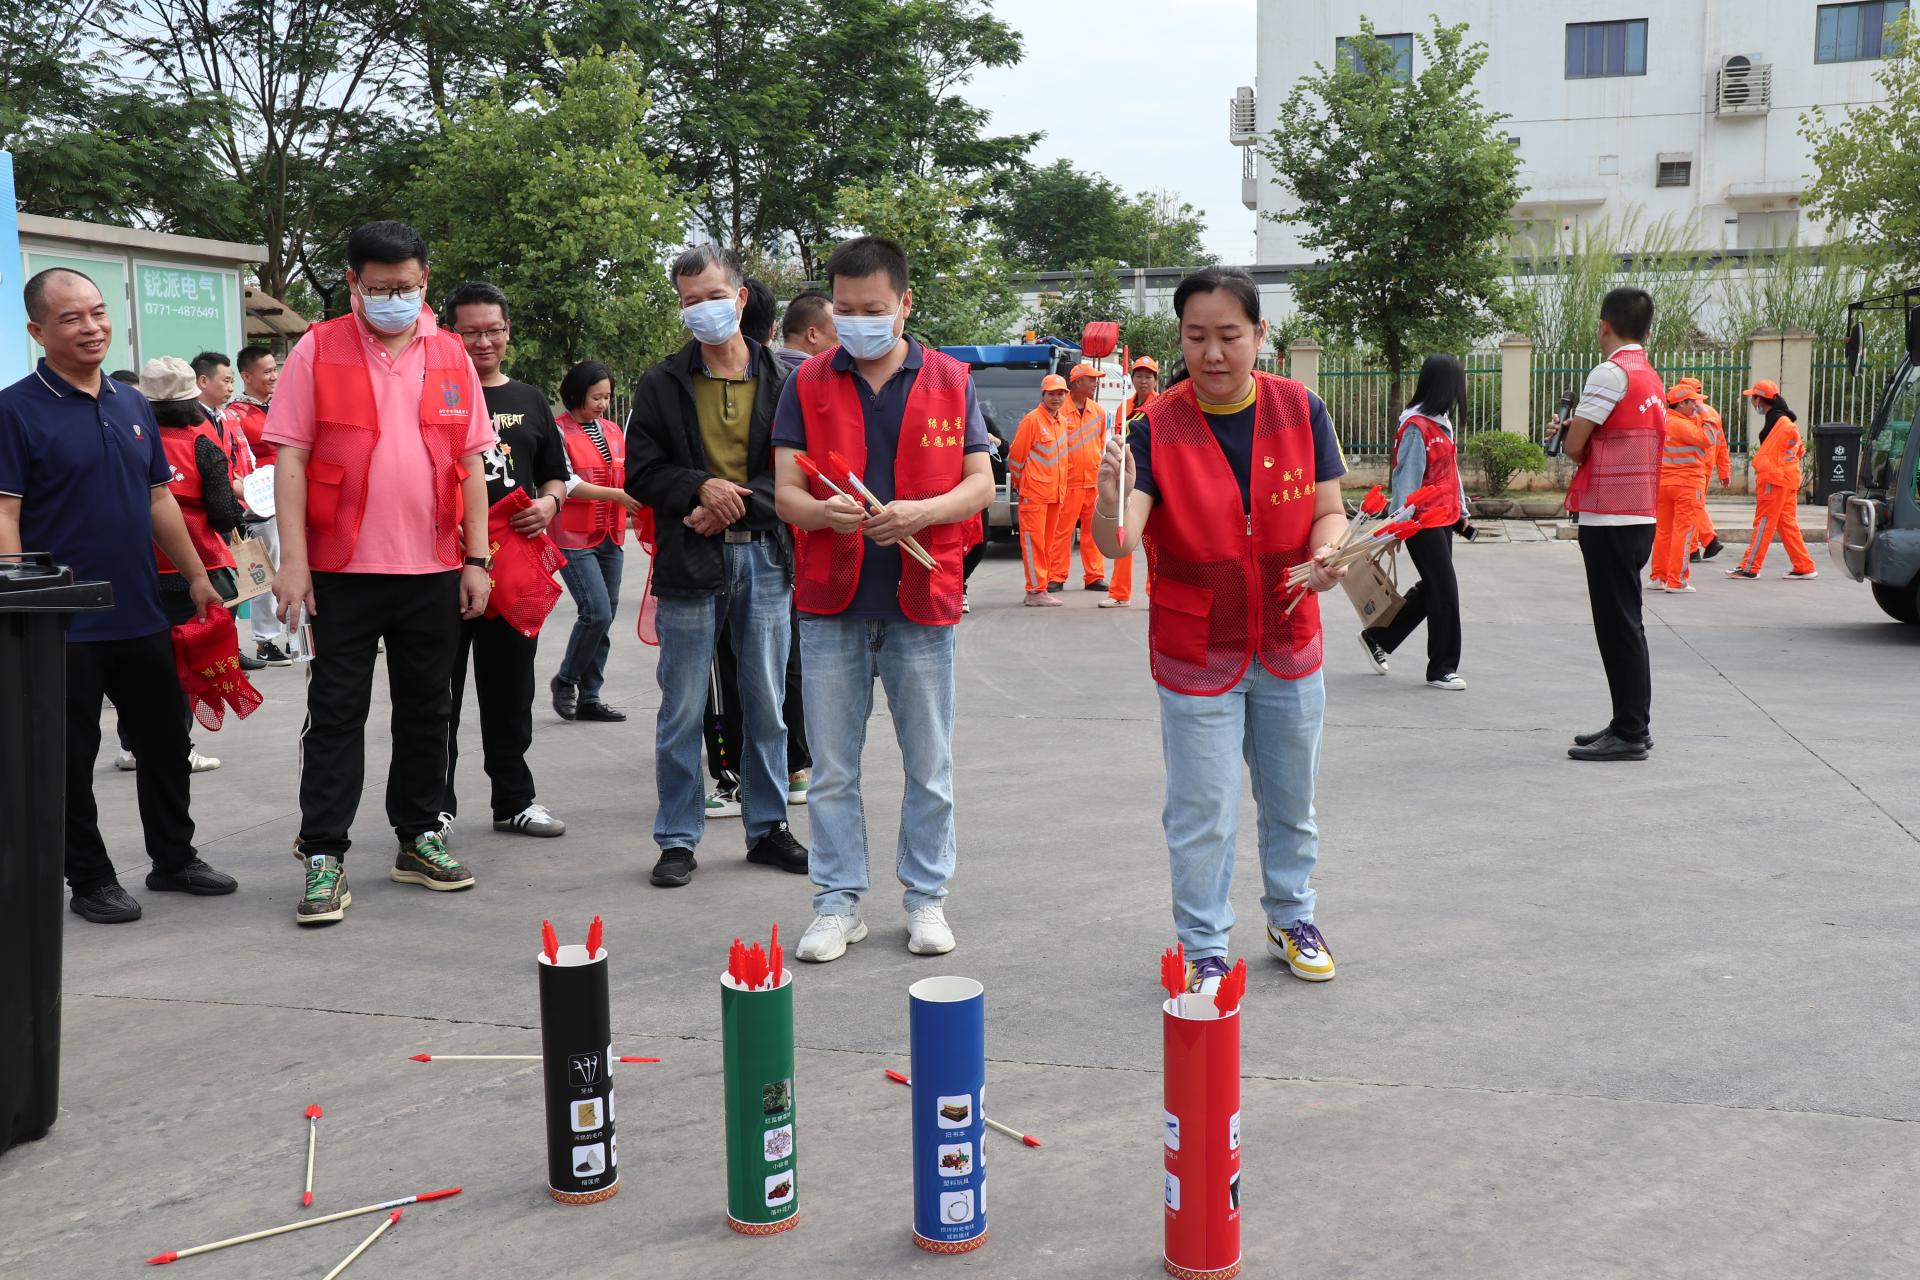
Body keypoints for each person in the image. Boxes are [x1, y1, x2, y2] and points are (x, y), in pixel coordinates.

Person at [1091, 267, 1349, 992]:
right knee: (1203, 811)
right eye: (1196, 337)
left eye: (1229, 336)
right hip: (1197, 650)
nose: (1212, 353)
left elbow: (1329, 509)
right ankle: (1203, 945)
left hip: (1288, 638)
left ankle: (1291, 915)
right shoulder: (1151, 427)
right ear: (1179, 338)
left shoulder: (1301, 409)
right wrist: (1111, 488)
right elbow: (1117, 543)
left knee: (1291, 801)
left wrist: (1328, 549)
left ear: (1260, 336)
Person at [265, 220, 496, 926]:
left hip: (431, 564)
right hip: (343, 568)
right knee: (336, 714)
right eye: (378, 288)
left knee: (430, 710)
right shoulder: (317, 349)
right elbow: (292, 460)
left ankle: (419, 837)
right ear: (351, 284)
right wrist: (293, 565)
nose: (394, 299)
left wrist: (476, 558)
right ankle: (324, 855)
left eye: (407, 287)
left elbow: (470, 465)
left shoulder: (451, 353)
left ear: (425, 280)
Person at [773, 234, 994, 962]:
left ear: (904, 303)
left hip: (921, 598)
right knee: (833, 767)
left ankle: (926, 898)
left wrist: (922, 512)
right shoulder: (806, 383)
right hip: (831, 600)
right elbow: (786, 493)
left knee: (928, 763)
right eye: (843, 309)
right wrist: (821, 513)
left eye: (872, 308)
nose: (856, 321)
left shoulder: (951, 381)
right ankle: (837, 902)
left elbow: (981, 485)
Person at [0, 268, 239, 924]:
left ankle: (174, 858)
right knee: (71, 758)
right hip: (61, 622)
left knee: (165, 740)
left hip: (138, 608)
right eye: (71, 317)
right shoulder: (15, 409)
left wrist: (194, 575)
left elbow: (159, 498)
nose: (91, 326)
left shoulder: (130, 403)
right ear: (37, 331)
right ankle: (91, 878)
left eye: (97, 313)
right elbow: (5, 513)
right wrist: (20, 600)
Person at [626, 244, 808, 888]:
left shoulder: (789, 378)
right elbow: (641, 471)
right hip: (689, 559)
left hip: (764, 557)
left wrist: (733, 504)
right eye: (688, 301)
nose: (701, 310)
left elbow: (800, 468)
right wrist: (700, 489)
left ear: (740, 297)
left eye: (711, 296)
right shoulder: (662, 382)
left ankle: (768, 828)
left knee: (766, 700)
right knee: (682, 705)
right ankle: (678, 837)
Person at [439, 281, 571, 839]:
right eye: (470, 331)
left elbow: (555, 472)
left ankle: (513, 799)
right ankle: (432, 807)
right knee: (436, 693)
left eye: (493, 329)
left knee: (511, 688)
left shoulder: (529, 399)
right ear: (450, 334)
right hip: (445, 565)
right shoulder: (434, 392)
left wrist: (549, 502)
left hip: (513, 568)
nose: (483, 341)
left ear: (507, 331)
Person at [113, 358, 248, 773]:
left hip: (138, 564)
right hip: (194, 569)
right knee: (181, 665)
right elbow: (223, 511)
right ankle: (179, 745)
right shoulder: (202, 439)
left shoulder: (128, 436)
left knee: (137, 662)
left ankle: (132, 744)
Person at [1549, 286, 1664, 763]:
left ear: (1604, 326)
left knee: (1617, 625)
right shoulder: (1652, 378)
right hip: (1640, 513)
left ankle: (1630, 732)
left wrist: (1570, 431)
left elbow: (1576, 446)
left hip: (1610, 516)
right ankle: (1629, 721)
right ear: (1648, 330)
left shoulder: (1609, 372)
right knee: (1627, 621)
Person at [1359, 353, 1472, 687]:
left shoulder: (1441, 423)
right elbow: (1406, 482)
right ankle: (1442, 668)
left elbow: (1450, 472)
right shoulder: (1415, 428)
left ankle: (1378, 637)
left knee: (1432, 589)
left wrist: (1462, 512)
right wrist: (1396, 525)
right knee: (1445, 590)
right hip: (1421, 522)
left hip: (1444, 518)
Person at [552, 359, 641, 723]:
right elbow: (566, 483)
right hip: (574, 537)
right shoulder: (557, 430)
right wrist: (618, 495)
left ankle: (591, 696)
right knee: (597, 612)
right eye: (596, 396)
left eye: (607, 396)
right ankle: (567, 679)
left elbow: (625, 473)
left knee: (605, 616)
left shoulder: (612, 430)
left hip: (610, 534)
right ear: (576, 393)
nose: (603, 403)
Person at [227, 344, 293, 664]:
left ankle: (297, 636)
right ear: (246, 376)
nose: (273, 376)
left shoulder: (280, 405)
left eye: (274, 370)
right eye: (266, 371)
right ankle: (266, 640)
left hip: (292, 498)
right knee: (267, 572)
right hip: (261, 505)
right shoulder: (234, 414)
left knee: (295, 567)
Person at [1728, 379, 1818, 581]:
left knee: (1764, 524)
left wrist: (1760, 466)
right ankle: (1804, 566)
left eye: (1753, 398)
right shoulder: (1785, 420)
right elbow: (1800, 450)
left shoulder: (1778, 422)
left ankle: (1750, 568)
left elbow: (1767, 455)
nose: (1752, 402)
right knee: (1787, 525)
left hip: (1775, 481)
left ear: (1760, 400)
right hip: (1787, 479)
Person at [1100, 355, 1161, 609]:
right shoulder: (1124, 407)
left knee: (1156, 542)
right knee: (1121, 531)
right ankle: (1119, 592)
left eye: (1148, 376)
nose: (1143, 380)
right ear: (1132, 378)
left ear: (1156, 380)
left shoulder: (1161, 406)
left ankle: (1154, 592)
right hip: (1127, 477)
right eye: (1139, 375)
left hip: (1153, 479)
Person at [1007, 374, 1069, 606]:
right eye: (1052, 393)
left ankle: (1040, 587)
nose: (1057, 397)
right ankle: (1034, 591)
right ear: (1042, 395)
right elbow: (1016, 457)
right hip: (1034, 494)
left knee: (1047, 544)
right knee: (1034, 544)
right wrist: (1021, 484)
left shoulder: (1061, 421)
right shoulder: (1032, 420)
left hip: (1055, 493)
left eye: (1061, 393)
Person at [1648, 384, 1712, 593]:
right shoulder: (1681, 425)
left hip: (1665, 484)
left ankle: (1659, 576)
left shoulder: (1663, 420)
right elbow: (1709, 439)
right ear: (1682, 403)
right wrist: (1707, 416)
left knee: (1663, 532)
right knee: (1683, 532)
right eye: (1693, 402)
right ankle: (1677, 581)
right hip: (1687, 484)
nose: (1697, 406)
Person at [1050, 362, 1108, 592]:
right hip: (1069, 482)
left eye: (1095, 379)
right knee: (1062, 533)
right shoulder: (1059, 411)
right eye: (1091, 379)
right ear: (1077, 382)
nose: (1095, 383)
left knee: (1093, 532)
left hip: (1092, 481)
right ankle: (1056, 576)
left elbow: (1100, 444)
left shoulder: (1099, 411)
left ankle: (1094, 576)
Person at [1674, 377, 1729, 562]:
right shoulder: (1711, 412)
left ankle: (1700, 544)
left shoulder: (1687, 414)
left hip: (1689, 469)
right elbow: (1721, 444)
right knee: (1695, 507)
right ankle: (1700, 544)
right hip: (1701, 468)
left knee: (1690, 509)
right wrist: (1724, 471)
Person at [776, 291, 835, 374]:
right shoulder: (814, 379)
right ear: (812, 335)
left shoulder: (761, 369)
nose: (843, 339)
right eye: (837, 330)